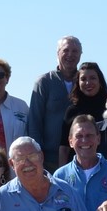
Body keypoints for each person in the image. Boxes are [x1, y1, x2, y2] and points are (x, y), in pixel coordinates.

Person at [28, 35, 82, 170]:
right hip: (49, 160)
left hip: (81, 156)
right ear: (58, 53)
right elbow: (34, 122)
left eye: (75, 51)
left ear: (80, 55)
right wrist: (37, 156)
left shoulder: (86, 82)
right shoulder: (44, 82)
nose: (70, 55)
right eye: (66, 50)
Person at [54, 114, 107, 211]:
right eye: (79, 136)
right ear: (70, 141)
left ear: (98, 139)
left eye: (89, 135)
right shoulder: (60, 177)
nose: (84, 140)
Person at [58, 61, 107, 166]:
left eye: (92, 78)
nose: (88, 83)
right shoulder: (72, 111)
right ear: (78, 83)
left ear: (100, 81)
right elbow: (64, 148)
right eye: (83, 79)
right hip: (76, 171)